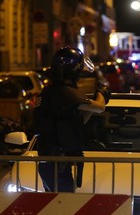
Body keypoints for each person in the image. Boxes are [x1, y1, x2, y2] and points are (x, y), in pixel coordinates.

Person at [33, 47, 111, 193]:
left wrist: (87, 109)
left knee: (55, 206)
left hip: (51, 162)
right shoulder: (66, 93)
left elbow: (76, 122)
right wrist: (101, 92)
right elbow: (100, 107)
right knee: (63, 207)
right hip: (58, 164)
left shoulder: (49, 92)